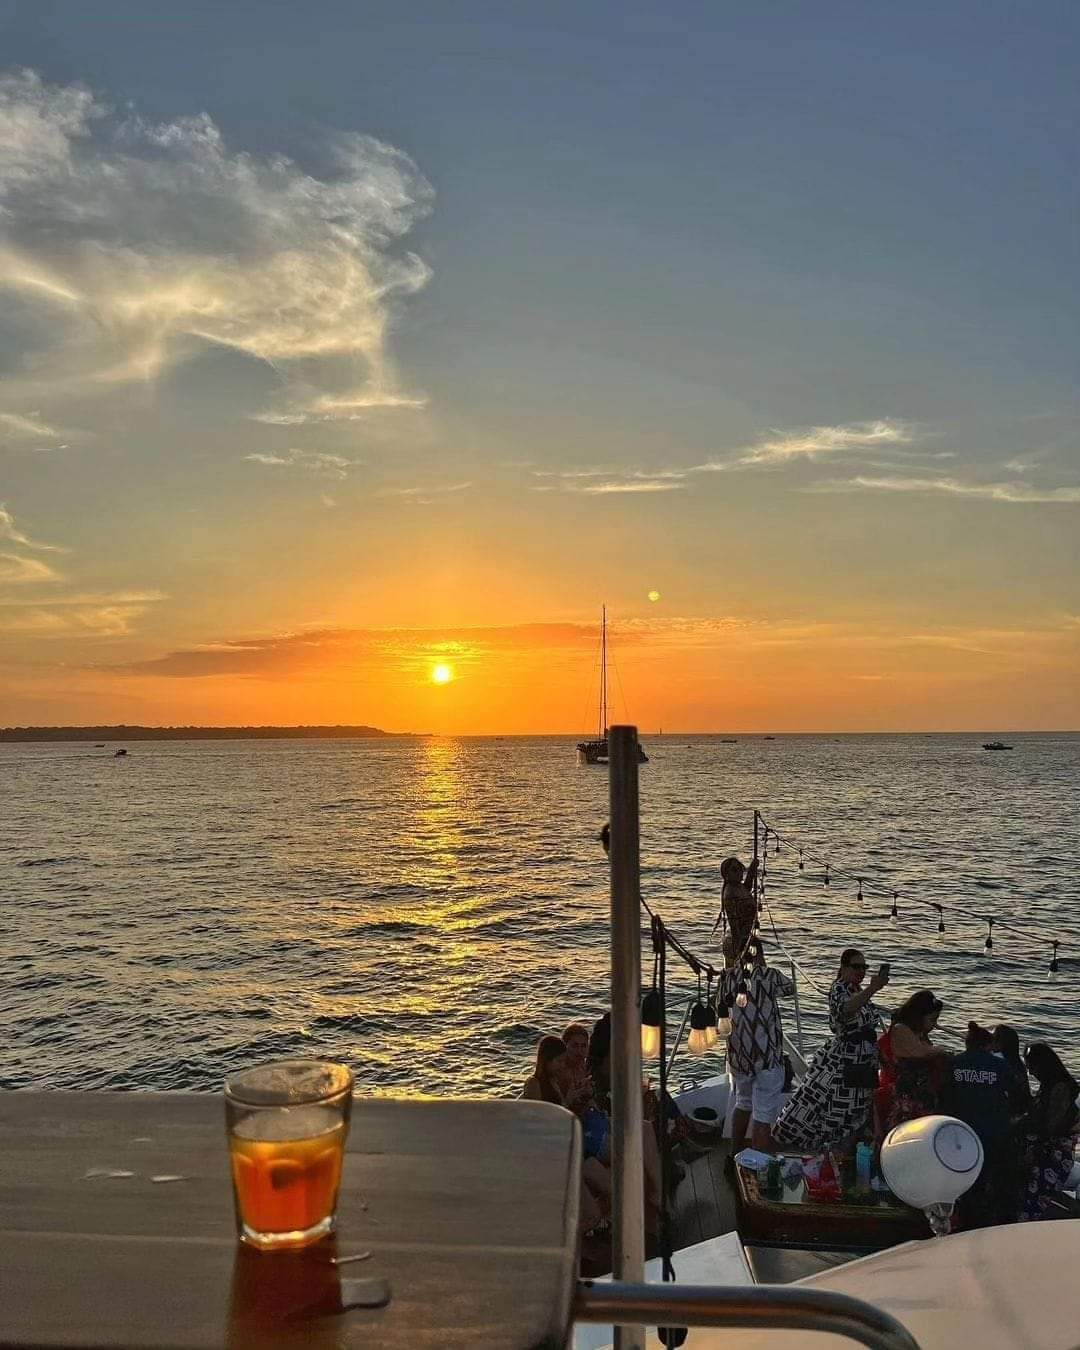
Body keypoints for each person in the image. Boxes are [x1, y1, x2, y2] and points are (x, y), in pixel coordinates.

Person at [773, 948, 889, 1152]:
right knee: (833, 1106)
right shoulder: (840, 989)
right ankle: (825, 1149)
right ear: (843, 967)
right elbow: (846, 1010)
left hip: (863, 1060)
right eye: (856, 967)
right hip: (845, 1058)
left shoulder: (856, 990)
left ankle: (845, 1151)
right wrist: (872, 989)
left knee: (855, 1109)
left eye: (864, 967)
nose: (861, 971)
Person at [720, 938, 794, 1156]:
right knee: (762, 1113)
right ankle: (755, 1166)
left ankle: (734, 1153)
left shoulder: (726, 978)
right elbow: (790, 988)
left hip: (740, 1057)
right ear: (758, 954)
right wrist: (763, 967)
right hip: (767, 1058)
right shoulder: (768, 976)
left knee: (742, 1103)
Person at [941, 1022, 1017, 1228]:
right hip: (994, 1129)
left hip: (962, 1130)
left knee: (965, 1177)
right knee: (991, 1176)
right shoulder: (999, 1065)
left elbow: (945, 1094)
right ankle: (989, 1220)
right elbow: (1017, 1092)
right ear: (987, 1045)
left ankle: (963, 1218)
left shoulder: (954, 1063)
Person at [1018, 1042, 1079, 1222]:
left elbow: (1052, 1128)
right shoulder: (1049, 1086)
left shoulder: (1060, 1089)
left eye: (1032, 1068)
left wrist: (1032, 1152)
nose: (1030, 1073)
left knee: (1030, 1195)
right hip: (1045, 1148)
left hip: (1052, 1153)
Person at [884, 990, 947, 1131]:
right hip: (908, 1087)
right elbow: (920, 1052)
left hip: (923, 1087)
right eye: (932, 1020)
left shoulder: (921, 1034)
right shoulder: (901, 1029)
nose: (934, 1025)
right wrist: (941, 1050)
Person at [712, 855, 760, 968]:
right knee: (737, 974)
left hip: (747, 936)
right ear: (726, 874)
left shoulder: (738, 887)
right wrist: (739, 950)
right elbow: (734, 924)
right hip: (737, 940)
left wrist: (752, 869)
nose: (738, 872)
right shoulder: (730, 894)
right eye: (734, 870)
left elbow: (747, 887)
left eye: (739, 868)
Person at [991, 1024, 1032, 1117]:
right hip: (1019, 1109)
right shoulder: (1018, 1063)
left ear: (1000, 1044)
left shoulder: (997, 1060)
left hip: (1005, 1111)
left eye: (992, 1038)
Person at [522, 1035, 568, 1103]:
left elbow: (561, 1108)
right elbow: (534, 1111)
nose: (563, 1065)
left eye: (564, 1061)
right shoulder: (534, 1083)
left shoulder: (553, 1080)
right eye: (560, 1061)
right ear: (547, 1060)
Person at [560, 1022, 593, 1111]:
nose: (579, 1050)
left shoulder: (583, 1066)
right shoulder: (559, 1071)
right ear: (565, 1046)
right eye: (575, 1045)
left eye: (583, 1046)